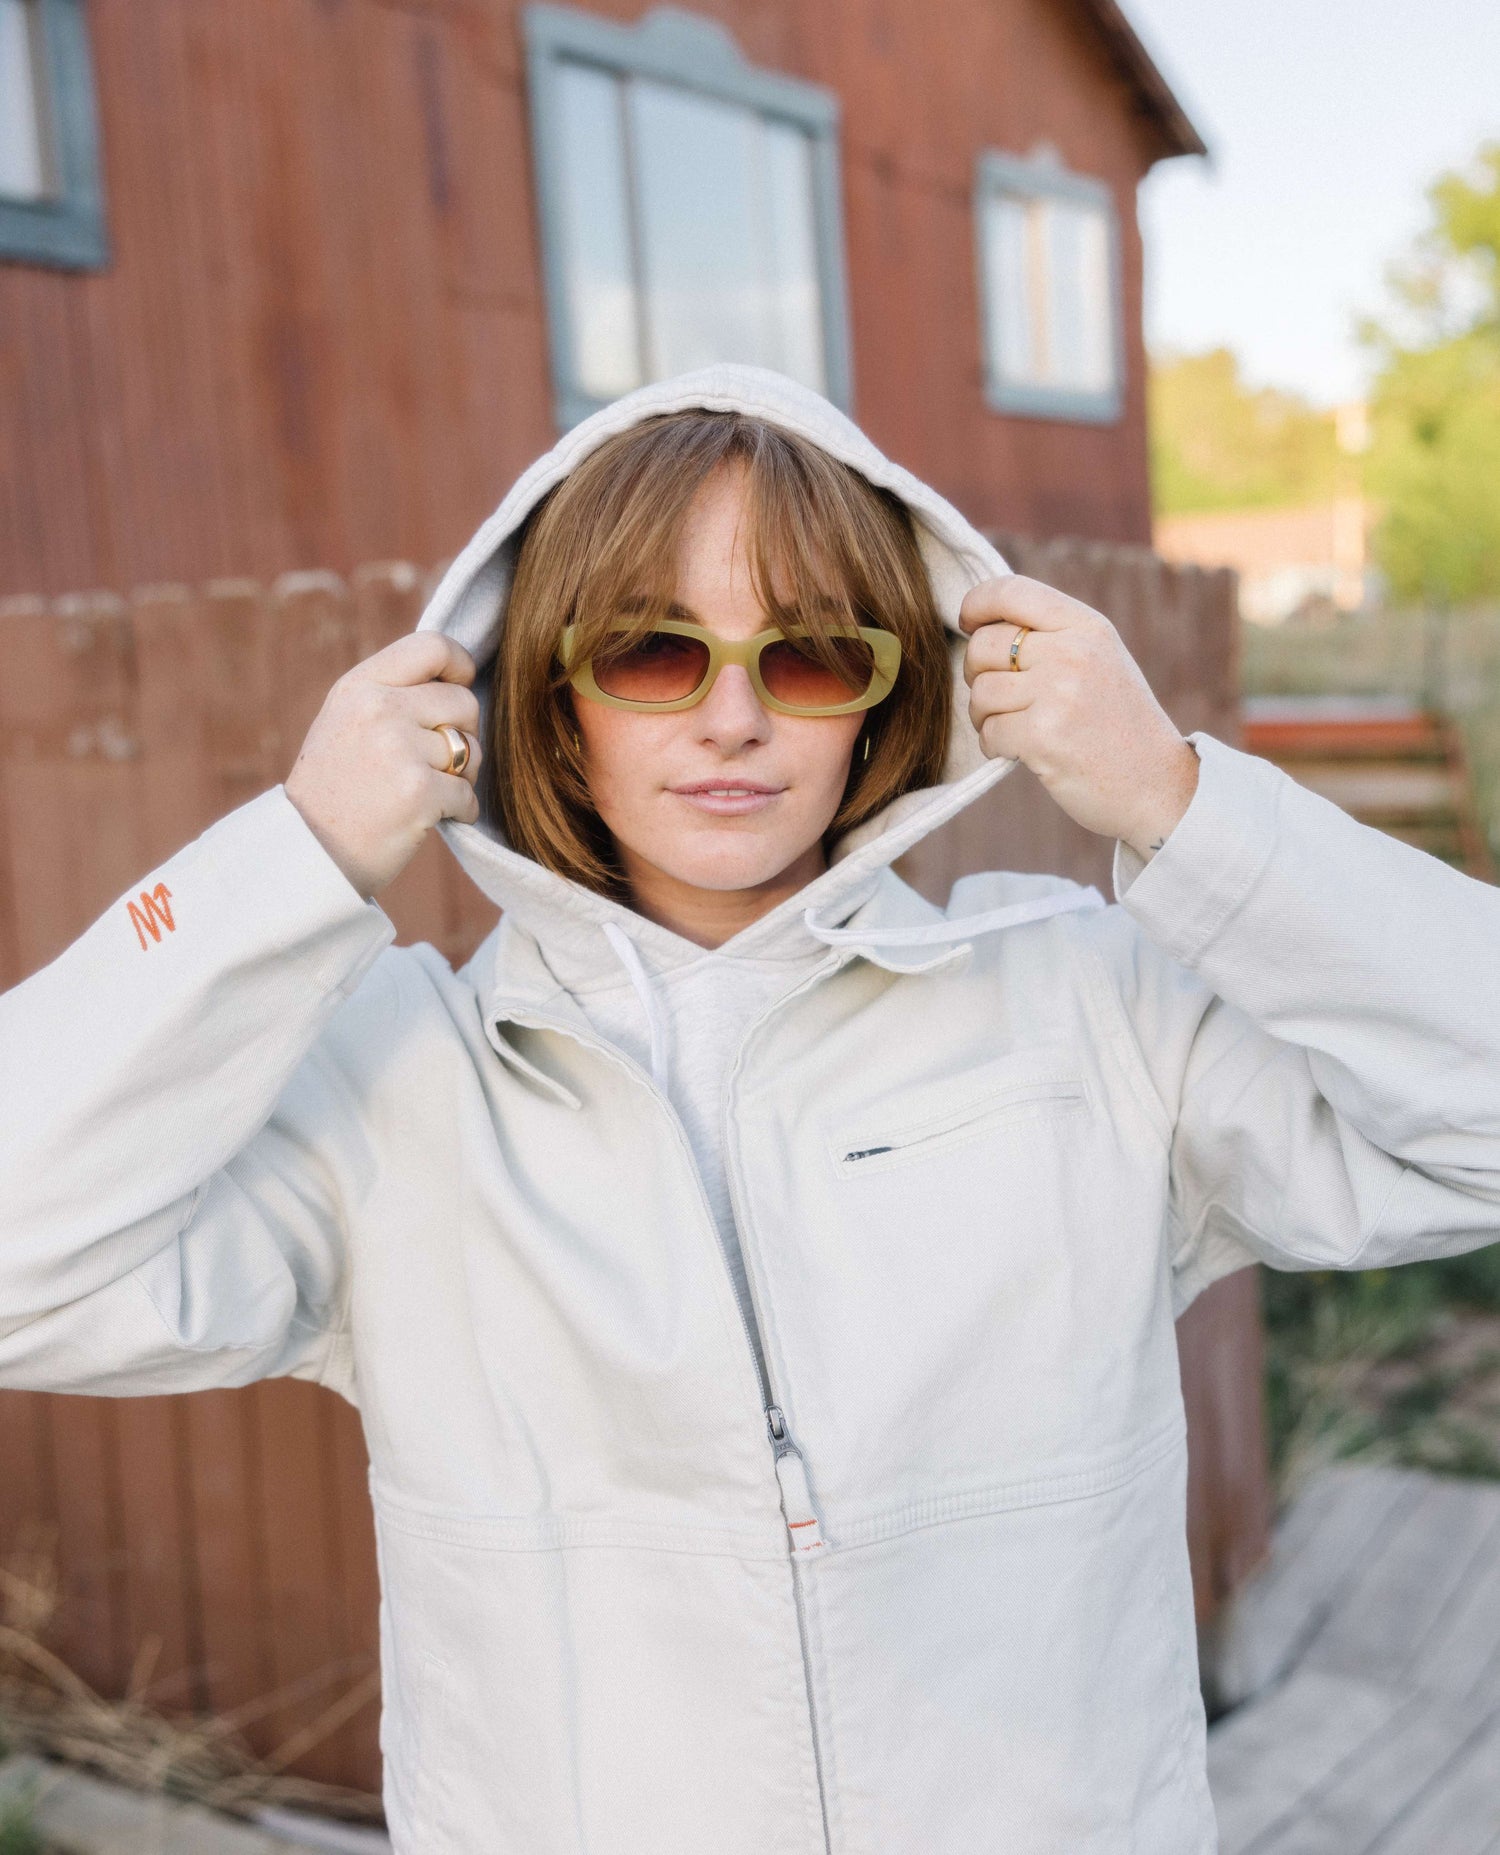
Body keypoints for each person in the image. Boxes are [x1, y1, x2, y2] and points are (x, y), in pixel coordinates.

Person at [2, 363, 1497, 1854]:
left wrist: (1181, 803)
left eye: (807, 657)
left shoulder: (1085, 1006)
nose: (733, 720)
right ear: (552, 698)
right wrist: (299, 854)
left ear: (885, 694)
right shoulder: (398, 1081)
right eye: (653, 653)